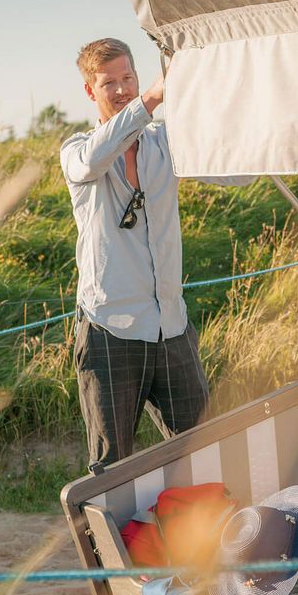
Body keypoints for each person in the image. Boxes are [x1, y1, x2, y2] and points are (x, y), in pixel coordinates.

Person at [60, 37, 211, 471]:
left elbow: (227, 171)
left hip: (171, 325)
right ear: (91, 91)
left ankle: (198, 538)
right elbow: (91, 160)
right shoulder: (77, 150)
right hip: (110, 329)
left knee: (203, 450)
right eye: (111, 83)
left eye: (129, 78)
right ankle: (109, 541)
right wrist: (152, 98)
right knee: (111, 469)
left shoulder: (167, 141)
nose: (123, 88)